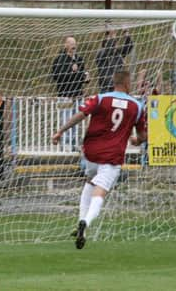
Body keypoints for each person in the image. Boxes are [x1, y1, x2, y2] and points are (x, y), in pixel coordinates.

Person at [51, 71, 147, 249]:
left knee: (90, 181)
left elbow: (81, 114)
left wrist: (60, 131)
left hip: (91, 152)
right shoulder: (136, 106)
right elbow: (142, 135)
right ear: (127, 84)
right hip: (111, 155)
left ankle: (81, 222)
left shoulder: (100, 98)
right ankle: (85, 222)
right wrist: (137, 140)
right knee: (100, 191)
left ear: (113, 83)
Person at [51, 37, 90, 152]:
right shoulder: (59, 60)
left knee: (75, 121)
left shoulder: (79, 59)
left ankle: (74, 145)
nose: (74, 46)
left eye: (75, 44)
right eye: (71, 44)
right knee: (65, 120)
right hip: (65, 95)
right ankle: (65, 145)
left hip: (78, 95)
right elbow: (57, 77)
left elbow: (82, 75)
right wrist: (71, 71)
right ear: (66, 45)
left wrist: (86, 78)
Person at [95, 28, 134, 93]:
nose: (116, 45)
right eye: (114, 43)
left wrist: (126, 33)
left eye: (115, 43)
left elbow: (129, 46)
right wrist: (112, 35)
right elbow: (109, 48)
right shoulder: (101, 54)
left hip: (118, 88)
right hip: (106, 89)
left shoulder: (117, 54)